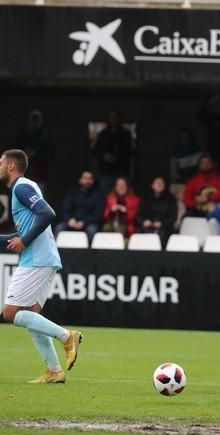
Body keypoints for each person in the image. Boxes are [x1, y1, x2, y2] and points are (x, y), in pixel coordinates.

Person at [0, 149, 82, 384]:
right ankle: (54, 371)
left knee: (11, 313)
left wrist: (24, 241)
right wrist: (18, 238)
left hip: (36, 259)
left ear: (12, 167)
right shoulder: (28, 186)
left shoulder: (20, 188)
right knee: (31, 316)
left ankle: (67, 336)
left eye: (1, 163)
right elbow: (27, 228)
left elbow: (47, 213)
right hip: (45, 258)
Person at [91, 109, 135, 193]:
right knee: (105, 196)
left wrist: (117, 157)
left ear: (119, 118)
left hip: (121, 171)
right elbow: (95, 150)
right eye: (111, 117)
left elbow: (131, 152)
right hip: (105, 172)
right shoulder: (103, 134)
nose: (113, 119)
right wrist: (104, 155)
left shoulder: (126, 134)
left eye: (116, 117)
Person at [54, 170, 104, 242]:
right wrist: (69, 220)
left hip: (88, 223)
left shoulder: (98, 195)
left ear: (93, 181)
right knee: (59, 228)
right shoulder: (72, 193)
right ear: (80, 180)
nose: (87, 181)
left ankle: (89, 253)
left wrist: (84, 222)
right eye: (85, 178)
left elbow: (98, 214)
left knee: (92, 230)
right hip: (72, 222)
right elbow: (65, 209)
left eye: (90, 179)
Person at [137, 176, 178, 246]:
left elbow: (173, 217)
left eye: (161, 183)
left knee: (163, 235)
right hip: (147, 228)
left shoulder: (171, 198)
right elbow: (138, 215)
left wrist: (161, 223)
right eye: (157, 183)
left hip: (165, 228)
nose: (159, 184)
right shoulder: (145, 197)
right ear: (152, 185)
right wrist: (144, 221)